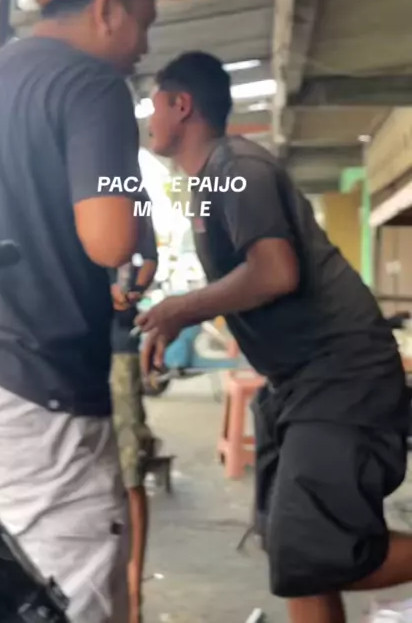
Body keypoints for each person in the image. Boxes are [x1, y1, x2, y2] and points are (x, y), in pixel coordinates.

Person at [0, 0, 192, 623]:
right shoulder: (91, 84)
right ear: (107, 9)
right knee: (68, 598)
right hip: (42, 393)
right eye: (142, 23)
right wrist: (137, 212)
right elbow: (109, 237)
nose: (143, 47)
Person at [136, 51, 412, 623]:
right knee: (292, 553)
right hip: (297, 382)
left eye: (154, 105)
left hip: (340, 374)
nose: (149, 119)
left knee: (323, 554)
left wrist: (182, 307)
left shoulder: (237, 166)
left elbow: (275, 271)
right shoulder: (209, 182)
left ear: (181, 105)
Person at [109, 218, 158, 623]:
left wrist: (130, 293)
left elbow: (150, 257)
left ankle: (132, 593)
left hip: (116, 348)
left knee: (129, 475)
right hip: (61, 354)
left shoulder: (127, 194)